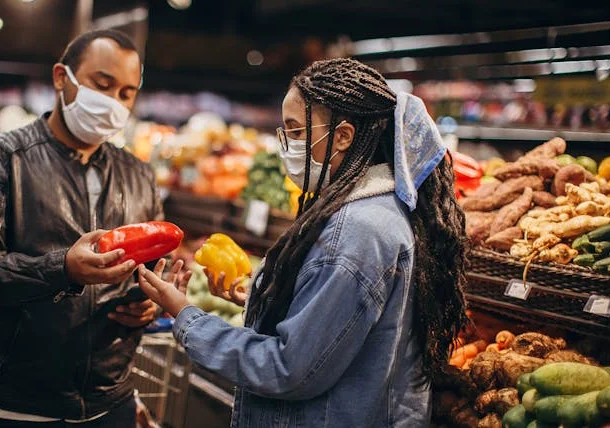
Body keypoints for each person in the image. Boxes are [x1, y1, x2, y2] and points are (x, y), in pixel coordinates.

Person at [137, 58, 469, 427]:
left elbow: (287, 368)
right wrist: (264, 298)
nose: (288, 146)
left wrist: (186, 316)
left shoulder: (357, 232)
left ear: (343, 136)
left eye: (296, 132)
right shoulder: (380, 213)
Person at [0, 29, 182, 427]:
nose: (113, 102)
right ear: (62, 77)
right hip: (15, 403)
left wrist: (148, 303)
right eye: (102, 84)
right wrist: (63, 269)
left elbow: (148, 269)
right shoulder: (0, 158)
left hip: (111, 400)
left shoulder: (139, 174)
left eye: (126, 93)